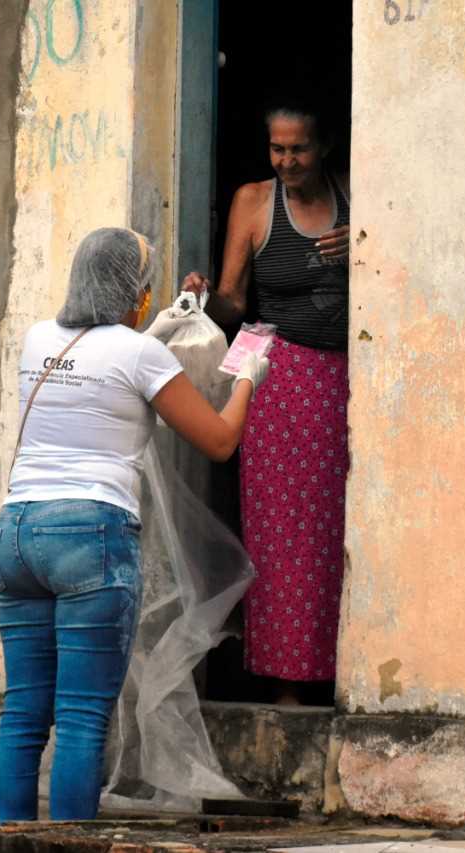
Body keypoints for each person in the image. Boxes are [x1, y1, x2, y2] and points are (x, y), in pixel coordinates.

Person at [0, 227, 270, 822]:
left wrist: (157, 332)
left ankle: (9, 837)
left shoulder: (37, 339)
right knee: (83, 717)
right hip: (90, 535)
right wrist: (247, 374)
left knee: (23, 712)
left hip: (16, 532)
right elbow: (219, 440)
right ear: (134, 293)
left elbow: (100, 369)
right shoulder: (141, 353)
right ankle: (68, 843)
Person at [181, 97, 351, 704]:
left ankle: (341, 675)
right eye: (276, 148)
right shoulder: (254, 202)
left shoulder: (358, 194)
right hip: (279, 380)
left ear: (324, 145)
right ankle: (286, 689)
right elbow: (234, 300)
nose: (286, 160)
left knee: (339, 532)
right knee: (282, 535)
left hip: (349, 381)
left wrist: (360, 254)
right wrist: (203, 297)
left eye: (298, 148)